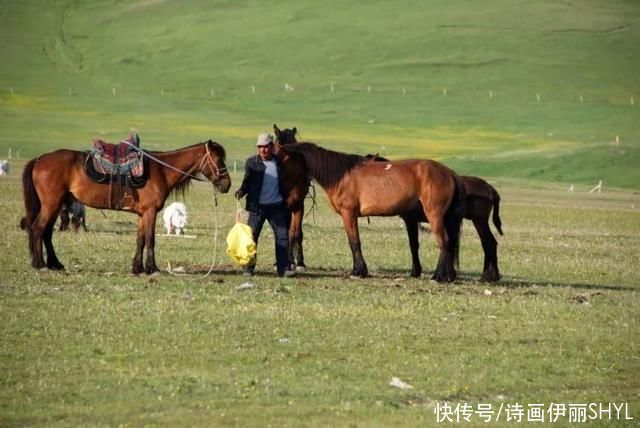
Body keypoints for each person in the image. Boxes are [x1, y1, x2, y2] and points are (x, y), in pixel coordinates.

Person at [235, 133, 295, 277]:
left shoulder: (280, 163)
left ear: (271, 147)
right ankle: (248, 269)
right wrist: (241, 192)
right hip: (257, 207)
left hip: (277, 207)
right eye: (260, 147)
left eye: (266, 147)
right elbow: (247, 182)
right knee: (252, 237)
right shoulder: (251, 162)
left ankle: (284, 269)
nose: (263, 150)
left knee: (282, 237)